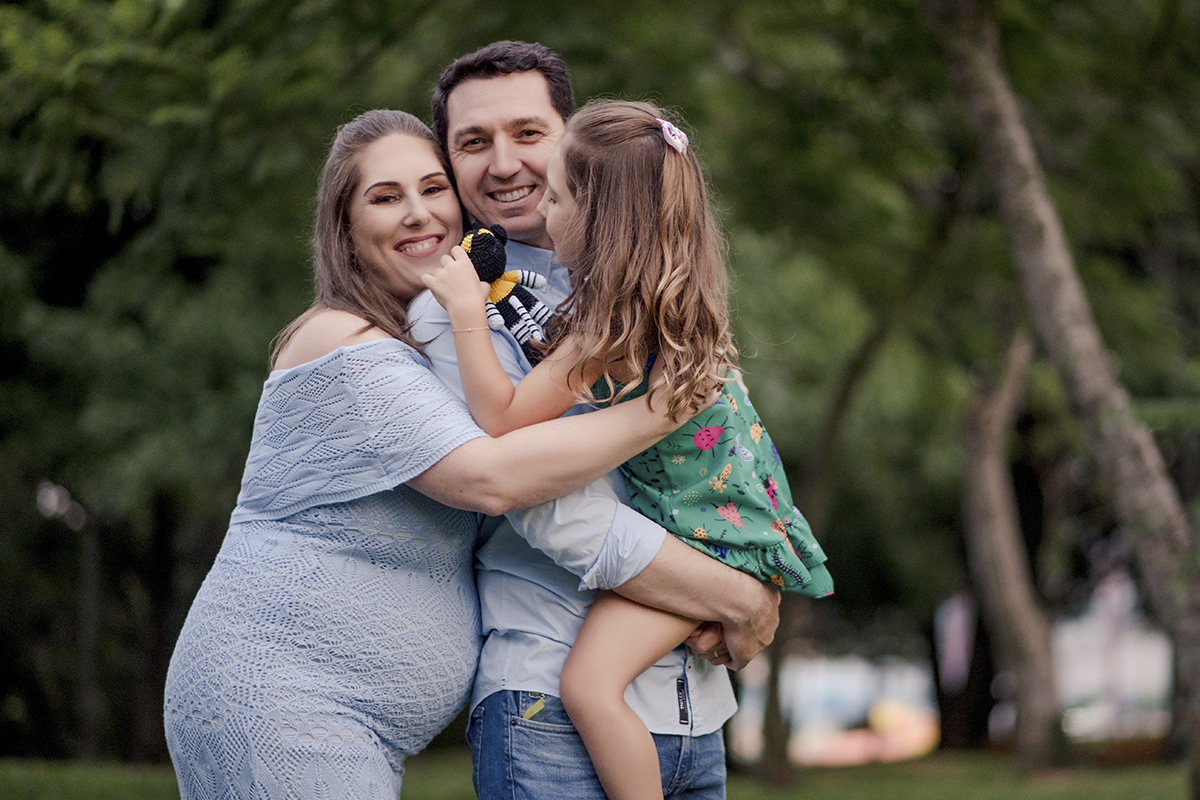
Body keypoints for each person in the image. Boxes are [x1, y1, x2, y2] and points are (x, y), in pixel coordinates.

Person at [162, 109, 698, 800]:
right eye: (386, 198)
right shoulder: (342, 342)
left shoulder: (434, 342)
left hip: (344, 722)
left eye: (433, 188)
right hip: (281, 694)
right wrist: (668, 407)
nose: (419, 214)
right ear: (344, 228)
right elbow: (491, 479)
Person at [423, 99, 834, 800]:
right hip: (732, 530)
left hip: (706, 542)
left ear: (599, 220)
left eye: (557, 198)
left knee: (589, 685)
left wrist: (467, 309)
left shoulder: (607, 325)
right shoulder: (669, 308)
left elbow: (503, 418)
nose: (543, 210)